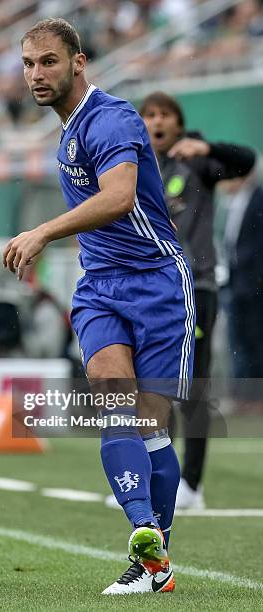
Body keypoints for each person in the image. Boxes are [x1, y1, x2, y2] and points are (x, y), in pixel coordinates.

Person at [3, 18, 195, 594]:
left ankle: (153, 567)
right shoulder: (65, 130)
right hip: (100, 286)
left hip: (158, 283)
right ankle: (143, 532)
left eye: (49, 62)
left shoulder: (108, 118)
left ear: (78, 62)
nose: (37, 74)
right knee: (112, 396)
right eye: (29, 64)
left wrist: (42, 233)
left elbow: (120, 197)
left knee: (151, 427)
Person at [139, 92, 256, 508]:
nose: (157, 122)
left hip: (197, 288)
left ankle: (192, 484)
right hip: (153, 292)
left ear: (178, 122)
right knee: (155, 388)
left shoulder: (197, 160)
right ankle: (158, 482)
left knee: (193, 387)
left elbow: (246, 160)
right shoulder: (137, 165)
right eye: (149, 115)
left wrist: (206, 148)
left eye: (164, 115)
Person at [222, 172, 263, 400]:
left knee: (255, 339)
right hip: (235, 283)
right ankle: (243, 395)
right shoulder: (229, 204)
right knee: (238, 339)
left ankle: (255, 396)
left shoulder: (258, 199)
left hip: (254, 285)